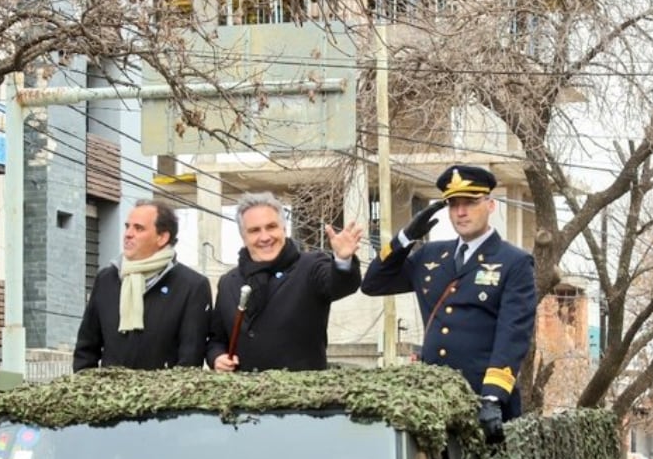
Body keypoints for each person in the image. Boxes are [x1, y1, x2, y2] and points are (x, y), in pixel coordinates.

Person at [360, 165, 537, 443]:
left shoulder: (513, 262)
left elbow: (513, 334)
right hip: (434, 401)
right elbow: (373, 284)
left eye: (470, 202)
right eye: (454, 204)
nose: (461, 212)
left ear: (490, 205)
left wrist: (492, 396)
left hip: (481, 402)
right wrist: (406, 237)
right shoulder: (431, 255)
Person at [207, 192, 364, 372]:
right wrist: (217, 357)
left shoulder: (310, 266)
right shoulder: (228, 282)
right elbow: (216, 340)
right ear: (243, 237)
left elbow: (340, 285)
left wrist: (343, 260)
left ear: (284, 229)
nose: (265, 237)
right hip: (243, 395)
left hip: (301, 395)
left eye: (271, 227)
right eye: (255, 230)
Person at [74, 200, 213, 372]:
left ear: (162, 237)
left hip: (162, 396)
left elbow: (190, 359)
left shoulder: (192, 286)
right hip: (108, 396)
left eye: (138, 228)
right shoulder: (107, 279)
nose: (128, 234)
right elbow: (86, 349)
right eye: (127, 226)